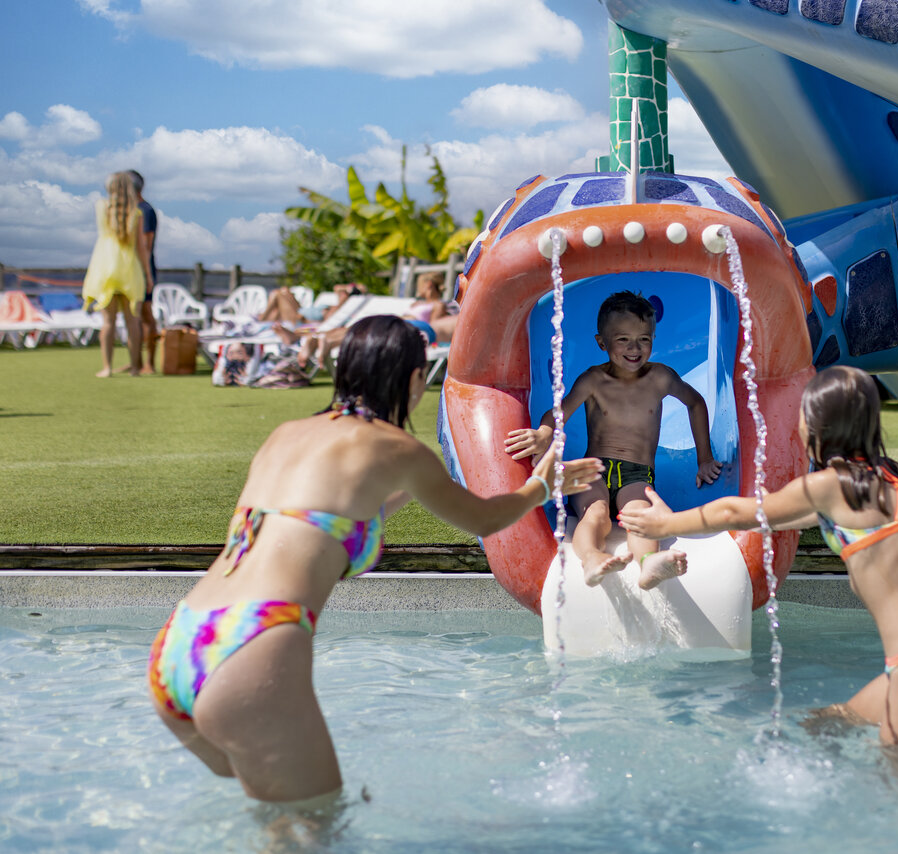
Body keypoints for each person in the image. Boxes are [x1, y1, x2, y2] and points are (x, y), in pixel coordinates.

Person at [147, 315, 603, 803]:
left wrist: (417, 490)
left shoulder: (285, 435)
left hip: (181, 642)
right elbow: (488, 520)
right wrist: (540, 485)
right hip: (253, 650)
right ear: (411, 379)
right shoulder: (396, 447)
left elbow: (322, 522)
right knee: (311, 827)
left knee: (278, 819)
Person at [619, 366, 898, 751]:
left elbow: (734, 513)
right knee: (825, 724)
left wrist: (665, 524)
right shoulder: (892, 479)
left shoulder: (829, 486)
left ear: (814, 425)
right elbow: (774, 519)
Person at [505, 290, 722, 589]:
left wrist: (704, 459)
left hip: (636, 472)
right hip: (594, 468)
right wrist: (544, 433)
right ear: (602, 342)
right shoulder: (593, 379)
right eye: (623, 339)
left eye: (644, 339)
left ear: (654, 338)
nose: (634, 348)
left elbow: (696, 402)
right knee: (595, 514)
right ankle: (592, 558)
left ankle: (649, 565)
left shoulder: (660, 377)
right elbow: (560, 411)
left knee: (640, 514)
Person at [82, 171, 146, 377]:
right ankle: (135, 367)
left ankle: (107, 367)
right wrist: (148, 276)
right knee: (132, 321)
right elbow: (141, 249)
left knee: (108, 322)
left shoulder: (101, 207)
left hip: (105, 266)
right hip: (128, 268)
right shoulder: (136, 213)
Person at [127, 171, 159, 374]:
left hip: (143, 270)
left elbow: (146, 246)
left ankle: (150, 363)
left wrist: (147, 276)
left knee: (146, 315)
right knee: (132, 317)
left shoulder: (145, 211)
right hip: (128, 271)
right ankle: (135, 362)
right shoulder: (128, 211)